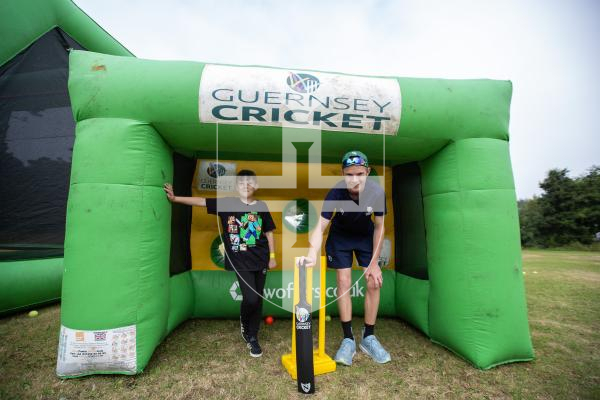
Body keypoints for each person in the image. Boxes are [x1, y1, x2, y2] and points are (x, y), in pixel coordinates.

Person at [164, 169, 276, 357]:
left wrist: (272, 257)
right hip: (241, 261)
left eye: (249, 183)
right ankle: (247, 328)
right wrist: (176, 199)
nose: (245, 186)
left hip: (261, 259)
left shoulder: (262, 206)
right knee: (251, 298)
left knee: (258, 299)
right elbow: (201, 202)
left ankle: (253, 335)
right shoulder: (227, 204)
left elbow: (269, 232)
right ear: (236, 187)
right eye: (241, 183)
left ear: (255, 186)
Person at [300, 151, 391, 365]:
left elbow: (379, 227)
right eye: (349, 174)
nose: (355, 179)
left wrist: (375, 264)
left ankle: (368, 337)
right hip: (340, 237)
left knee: (373, 282)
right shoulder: (335, 193)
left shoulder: (377, 193)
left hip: (365, 237)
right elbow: (320, 225)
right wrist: (312, 251)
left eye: (360, 173)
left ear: (367, 172)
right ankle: (348, 338)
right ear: (343, 173)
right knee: (343, 281)